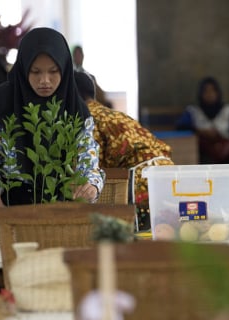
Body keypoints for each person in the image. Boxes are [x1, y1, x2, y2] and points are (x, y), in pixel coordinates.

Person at [0, 28, 104, 223]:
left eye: (53, 71)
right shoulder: (1, 104)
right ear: (24, 68)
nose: (45, 81)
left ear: (65, 69)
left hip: (56, 210)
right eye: (35, 72)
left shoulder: (75, 109)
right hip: (4, 206)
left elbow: (88, 160)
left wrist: (91, 186)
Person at [74, 70, 174, 229]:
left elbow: (92, 163)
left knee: (138, 241)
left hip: (142, 182)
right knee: (164, 235)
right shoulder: (114, 114)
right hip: (168, 175)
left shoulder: (86, 117)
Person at [177, 76, 229, 165]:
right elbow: (181, 128)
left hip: (226, 152)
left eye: (212, 90)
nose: (209, 94)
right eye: (206, 91)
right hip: (203, 152)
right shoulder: (193, 111)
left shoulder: (228, 110)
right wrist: (201, 132)